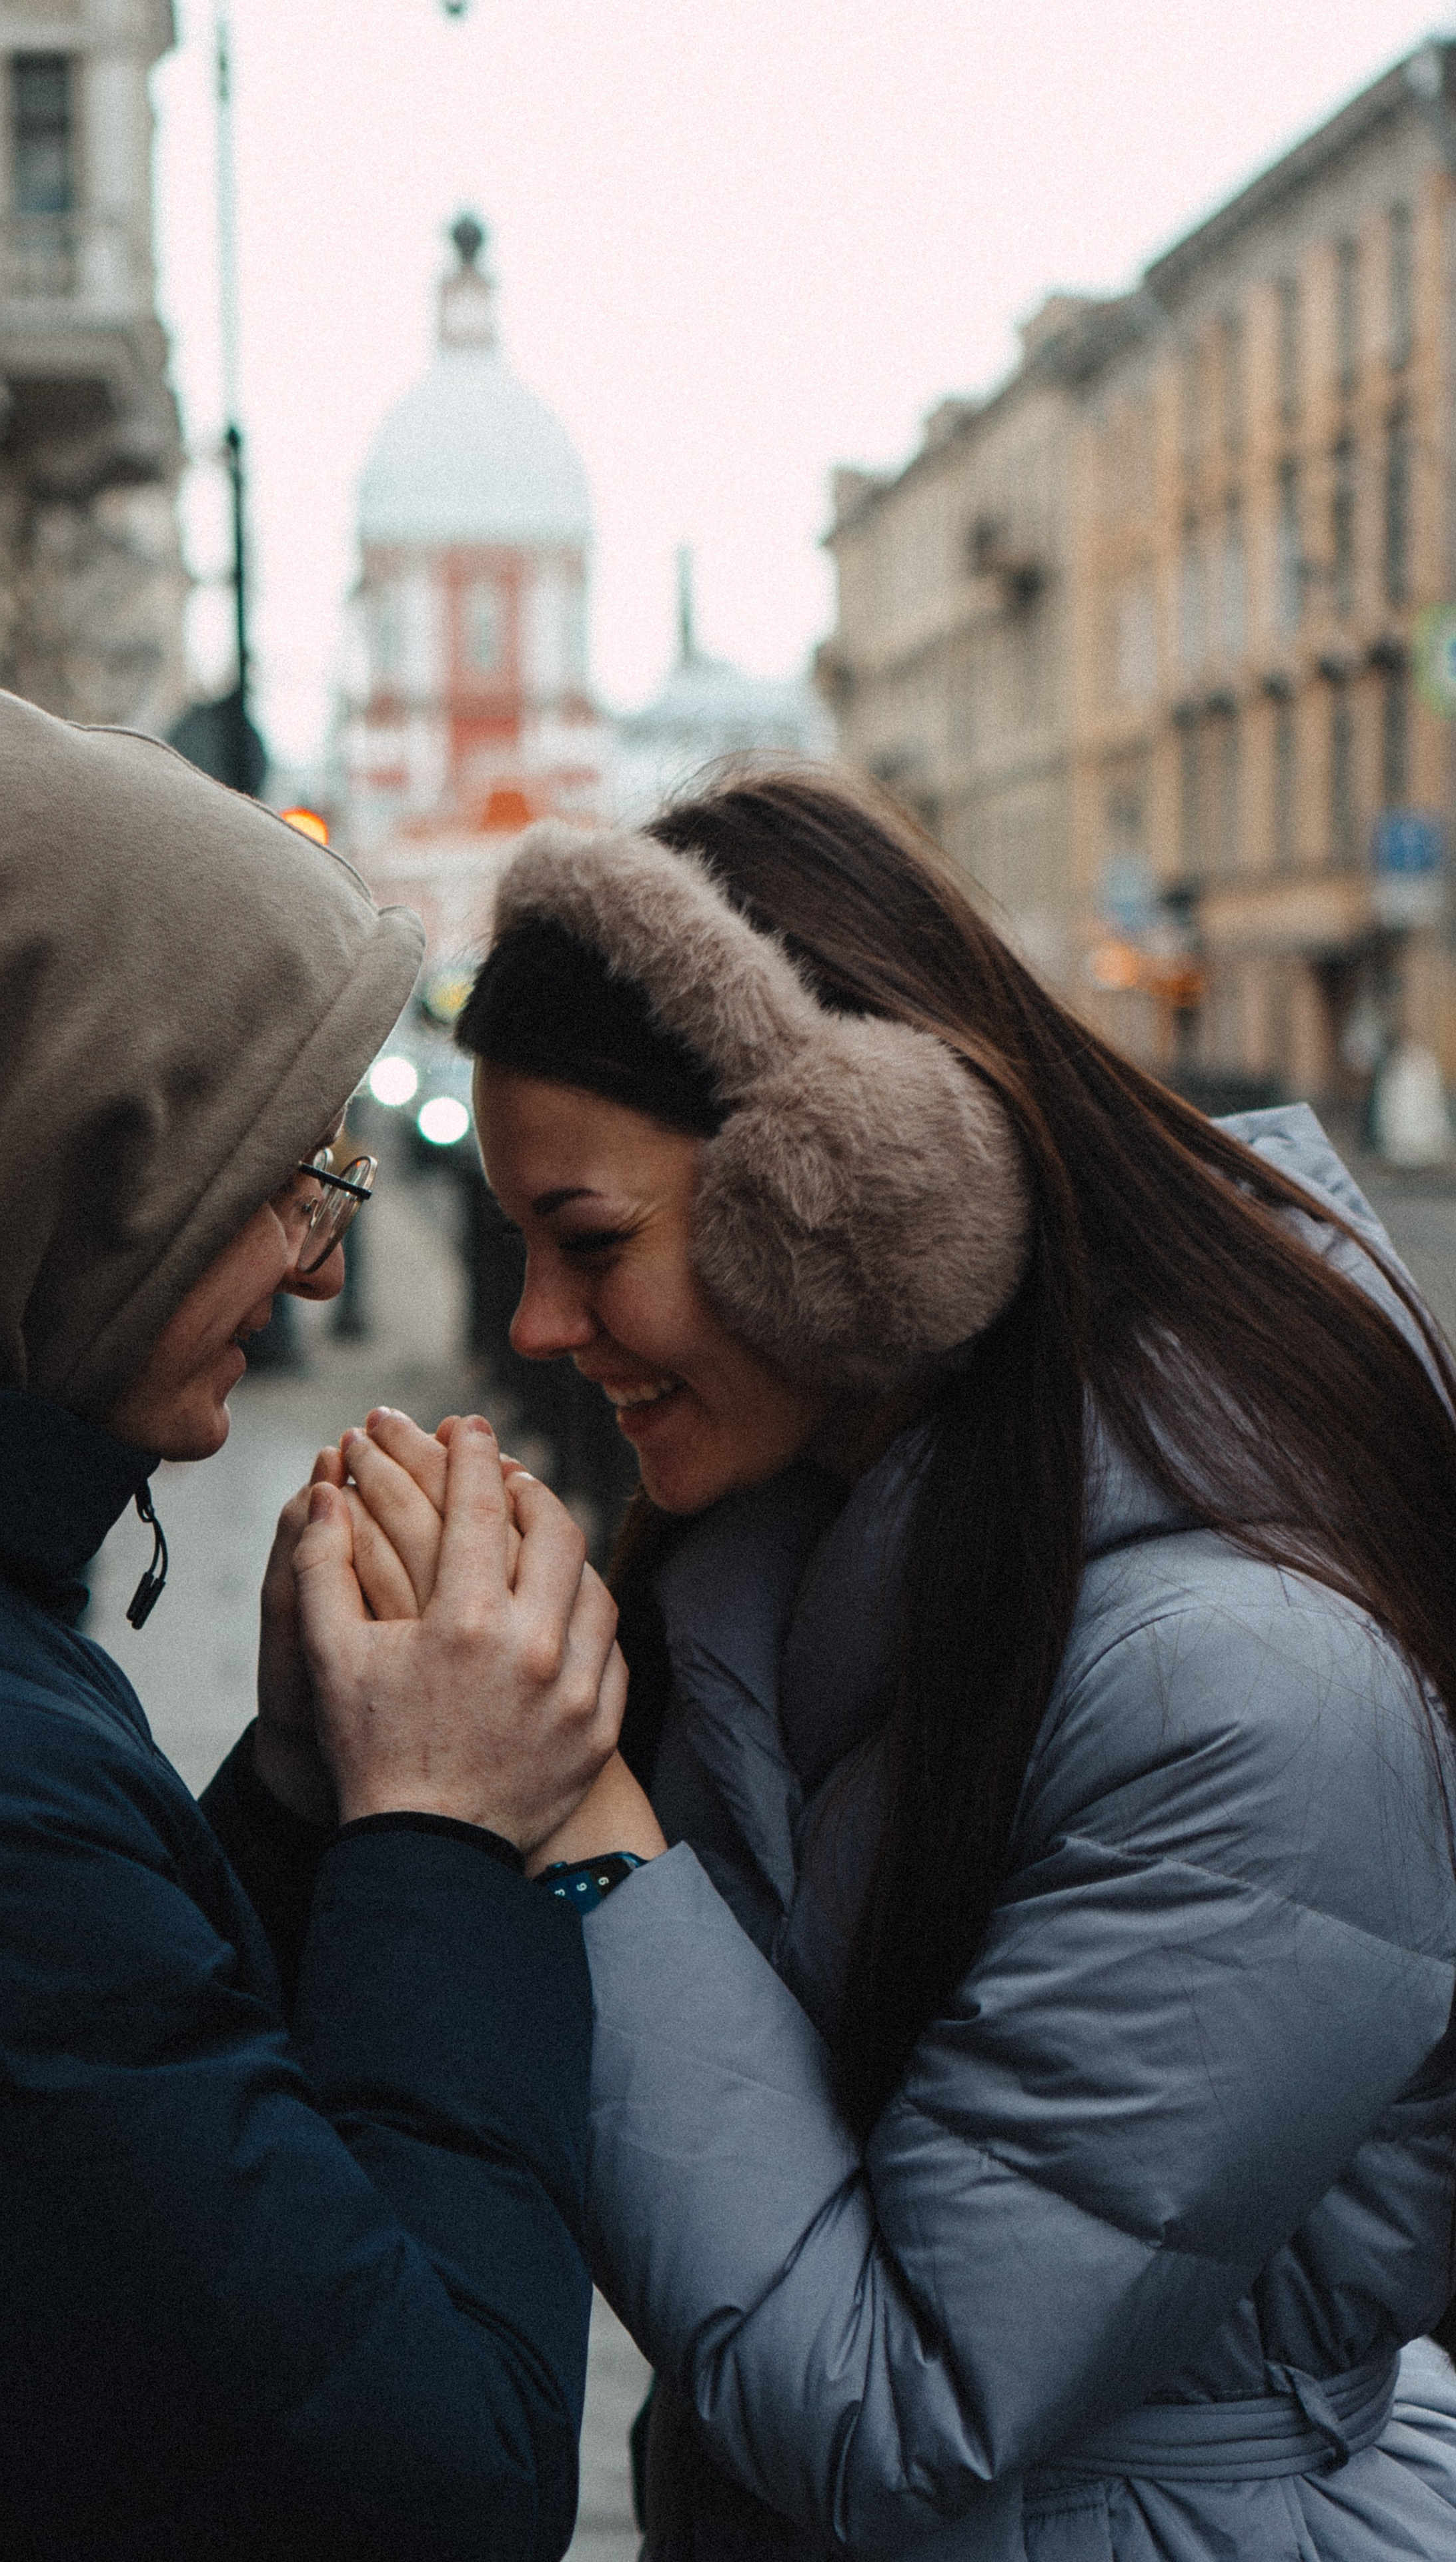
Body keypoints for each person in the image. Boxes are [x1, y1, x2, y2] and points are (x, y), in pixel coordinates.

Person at [328, 769, 1456, 2561]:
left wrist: (574, 1825)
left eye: (593, 1244)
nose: (537, 1328)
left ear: (847, 1199)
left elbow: (893, 2405)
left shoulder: (1254, 1703)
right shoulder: (784, 1546)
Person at [0, 677, 626, 2561]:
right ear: (68, 1172)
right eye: (284, 1178)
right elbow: (424, 2491)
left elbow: (77, 2186)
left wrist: (302, 1812)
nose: (324, 1254)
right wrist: (445, 1834)